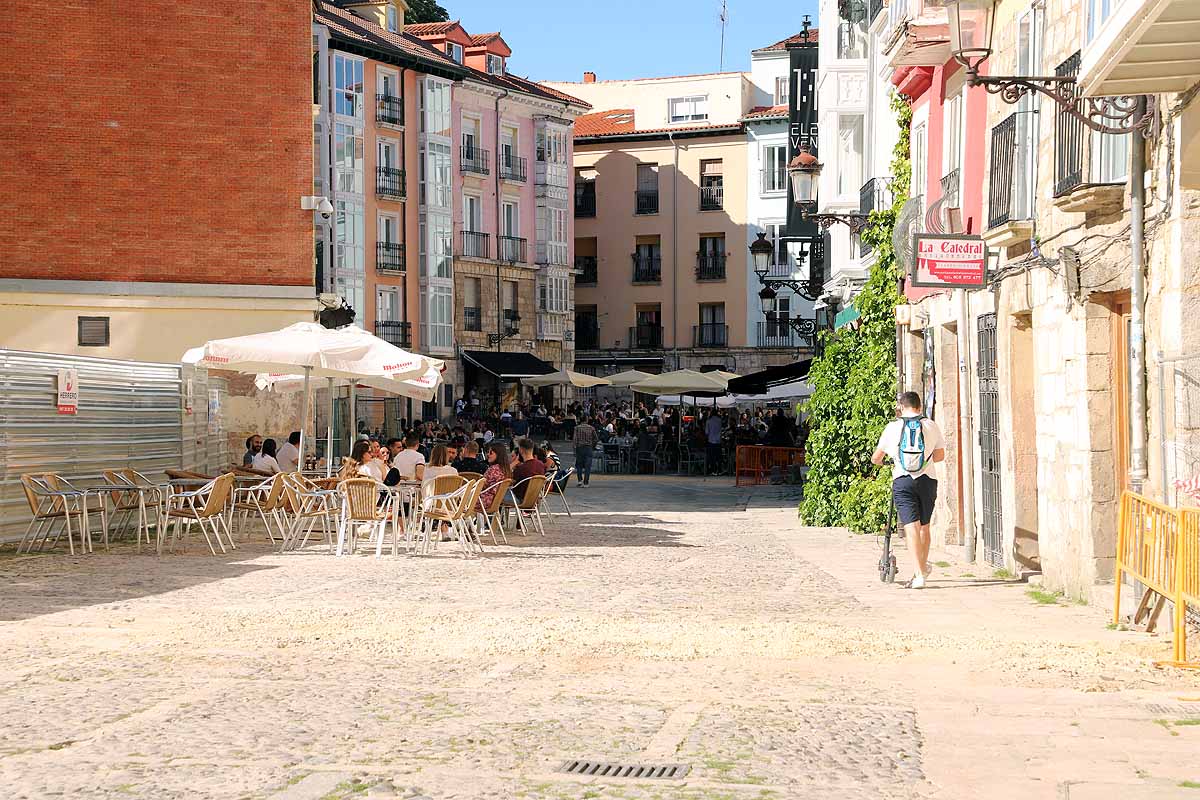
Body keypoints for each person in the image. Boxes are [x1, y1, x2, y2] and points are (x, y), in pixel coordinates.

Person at [871, 391, 946, 590]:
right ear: (920, 407)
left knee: (911, 526)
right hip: (928, 480)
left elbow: (876, 458)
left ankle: (919, 574)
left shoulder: (893, 427)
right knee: (925, 526)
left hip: (903, 480)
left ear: (901, 408)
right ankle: (921, 569)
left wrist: (886, 462)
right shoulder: (931, 425)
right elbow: (939, 456)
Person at [478, 442, 513, 513]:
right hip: (496, 501)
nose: (488, 454)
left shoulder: (493, 469)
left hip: (484, 500)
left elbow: (482, 485)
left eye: (491, 453)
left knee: (459, 500)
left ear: (498, 454)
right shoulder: (506, 470)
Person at [572, 416, 597, 487]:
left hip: (579, 448)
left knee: (579, 465)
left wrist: (574, 450)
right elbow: (596, 439)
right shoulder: (592, 428)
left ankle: (580, 481)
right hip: (589, 448)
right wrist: (593, 446)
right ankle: (586, 482)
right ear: (586, 420)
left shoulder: (576, 428)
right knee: (587, 466)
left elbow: (574, 440)